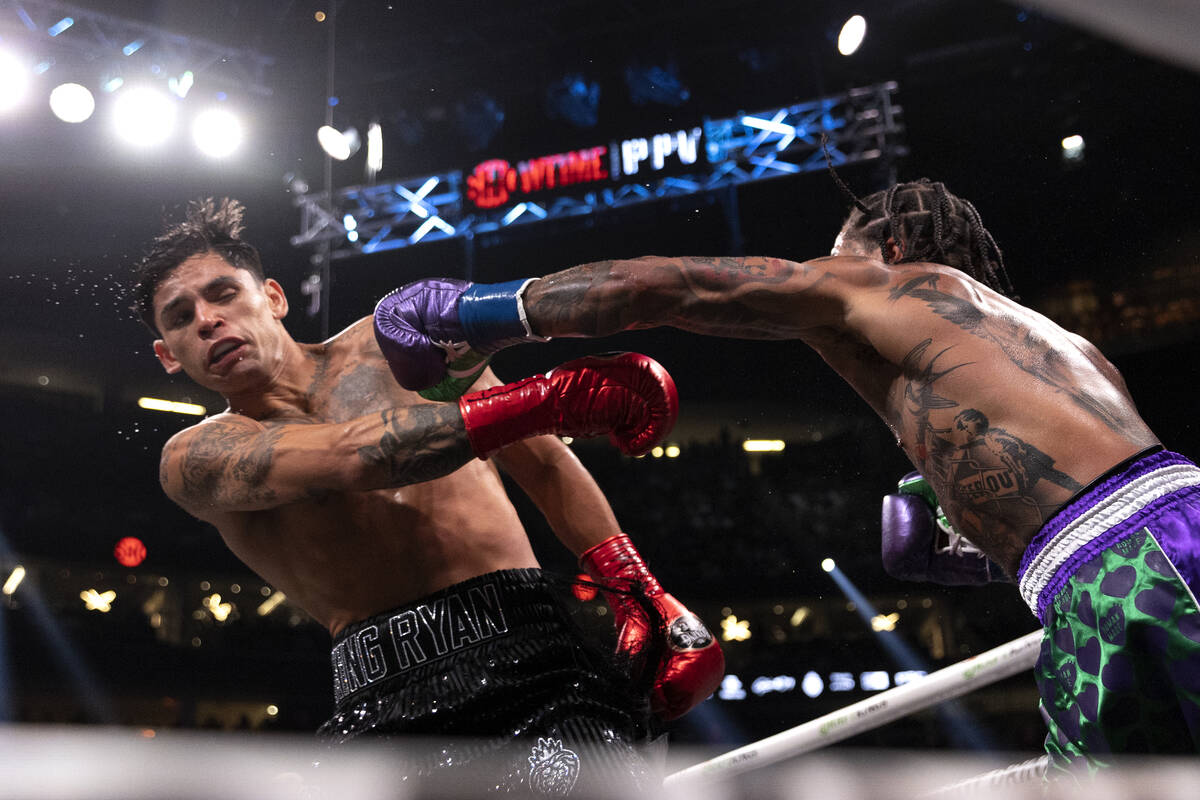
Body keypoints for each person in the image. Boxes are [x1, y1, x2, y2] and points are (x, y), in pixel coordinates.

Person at [376, 177, 1200, 767]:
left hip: (1121, 572)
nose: (819, 276)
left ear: (893, 246)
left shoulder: (879, 280)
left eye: (831, 257)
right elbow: (1122, 490)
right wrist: (980, 546)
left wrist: (481, 312)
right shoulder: (1058, 348)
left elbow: (674, 287)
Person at [131, 198, 723, 796]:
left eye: (223, 293)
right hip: (383, 701)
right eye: (180, 317)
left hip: (535, 650)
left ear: (274, 297)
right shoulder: (194, 458)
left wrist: (638, 586)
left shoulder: (391, 342)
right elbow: (351, 457)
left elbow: (540, 460)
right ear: (168, 356)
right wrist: (547, 399)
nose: (207, 320)